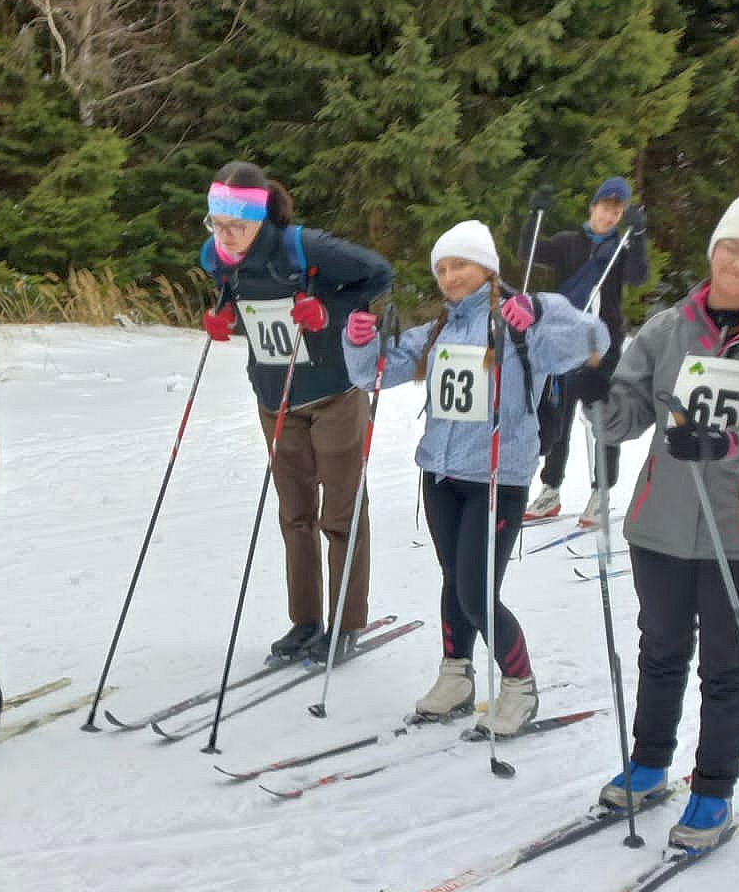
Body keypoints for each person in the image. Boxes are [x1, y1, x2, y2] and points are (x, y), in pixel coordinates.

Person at [595, 190, 739, 852]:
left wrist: (725, 444)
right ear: (713, 248)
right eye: (731, 247)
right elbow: (624, 416)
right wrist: (590, 392)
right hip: (660, 524)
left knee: (727, 664)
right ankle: (649, 762)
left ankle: (714, 793)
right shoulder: (668, 328)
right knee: (661, 651)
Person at [343, 221, 608, 734]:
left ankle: (520, 687)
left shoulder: (520, 324)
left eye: (460, 264)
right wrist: (358, 342)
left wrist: (540, 313)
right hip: (441, 475)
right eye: (441, 268)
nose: (450, 276)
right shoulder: (437, 330)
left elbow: (593, 340)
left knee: (477, 593)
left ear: (487, 268)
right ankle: (456, 677)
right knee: (455, 583)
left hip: (496, 478)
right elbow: (369, 374)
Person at [198, 161, 393, 663]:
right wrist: (225, 319)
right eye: (217, 224)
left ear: (260, 217)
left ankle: (345, 624)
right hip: (276, 399)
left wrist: (330, 309)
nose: (226, 235)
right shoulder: (217, 258)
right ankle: (305, 622)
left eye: (237, 225)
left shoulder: (303, 246)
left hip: (335, 394)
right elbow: (247, 308)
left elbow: (378, 273)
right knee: (295, 516)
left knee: (341, 515)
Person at [522, 176, 650, 527]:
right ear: (593, 206)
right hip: (565, 341)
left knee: (602, 416)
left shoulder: (621, 248)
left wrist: (638, 236)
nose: (609, 216)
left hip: (602, 345)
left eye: (616, 212)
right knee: (557, 416)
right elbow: (529, 252)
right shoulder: (567, 242)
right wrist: (533, 216)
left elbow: (638, 276)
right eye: (605, 208)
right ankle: (551, 488)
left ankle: (601, 493)